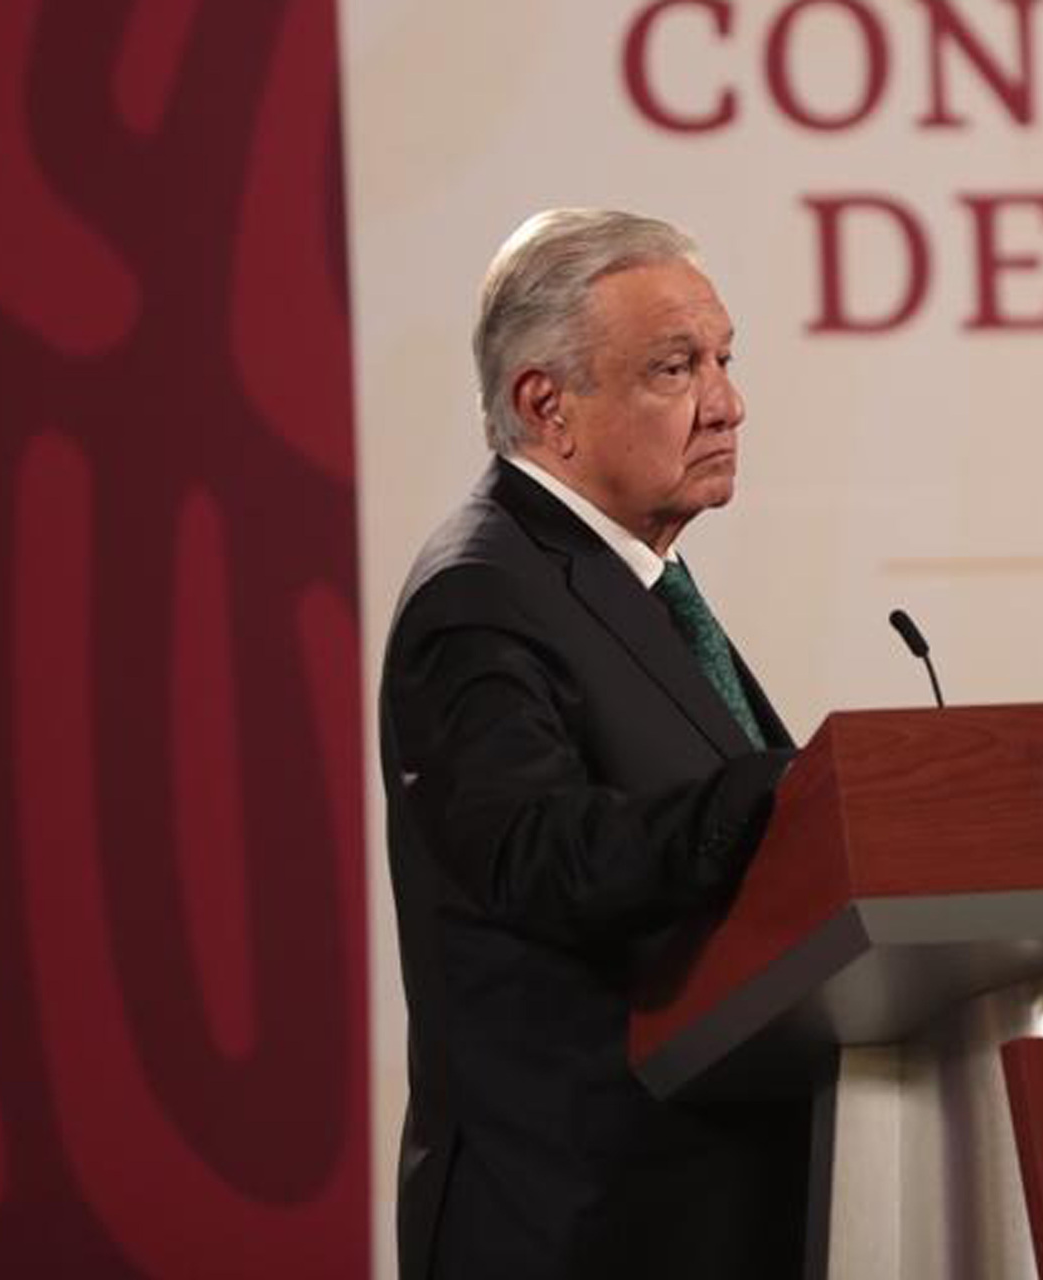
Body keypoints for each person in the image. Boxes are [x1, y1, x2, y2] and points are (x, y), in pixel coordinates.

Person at [379, 209, 807, 1279]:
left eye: (723, 360)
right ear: (546, 405)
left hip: (694, 1217)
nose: (727, 403)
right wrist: (781, 798)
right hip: (570, 1226)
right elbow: (537, 854)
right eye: (676, 367)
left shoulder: (629, 580)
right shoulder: (478, 595)